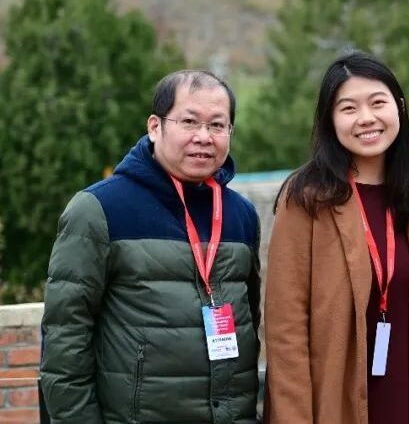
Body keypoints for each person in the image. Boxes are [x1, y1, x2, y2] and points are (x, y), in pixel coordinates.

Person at [40, 70, 261, 423]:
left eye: (217, 125)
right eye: (189, 122)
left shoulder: (241, 215)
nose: (204, 137)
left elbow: (251, 319)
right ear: (155, 127)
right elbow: (65, 340)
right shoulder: (99, 209)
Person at [264, 52, 409, 424]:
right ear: (329, 119)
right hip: (332, 402)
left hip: (403, 397)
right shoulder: (307, 198)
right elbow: (286, 329)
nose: (366, 118)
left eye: (378, 103)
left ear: (400, 107)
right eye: (349, 108)